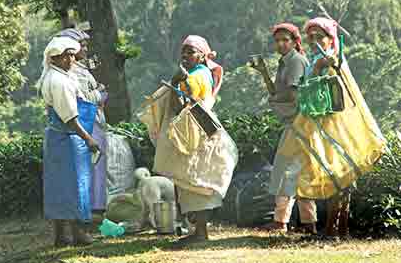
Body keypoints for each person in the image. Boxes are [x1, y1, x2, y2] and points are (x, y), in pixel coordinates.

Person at [277, 17, 387, 237]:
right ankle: (335, 229)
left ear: (330, 39)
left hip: (334, 125)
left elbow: (334, 93)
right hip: (317, 123)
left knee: (339, 176)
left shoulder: (332, 58)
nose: (314, 40)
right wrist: (316, 69)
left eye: (320, 36)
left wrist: (322, 68)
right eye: (311, 36)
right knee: (334, 176)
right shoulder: (316, 59)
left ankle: (335, 229)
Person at [150, 35, 237, 244]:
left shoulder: (196, 76)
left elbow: (181, 105)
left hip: (195, 130)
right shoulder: (199, 74)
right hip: (197, 128)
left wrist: (174, 82)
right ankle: (197, 230)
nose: (186, 55)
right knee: (193, 180)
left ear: (202, 55)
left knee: (194, 180)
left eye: (191, 52)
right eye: (184, 52)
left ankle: (200, 232)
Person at [251, 23, 317, 234]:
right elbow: (276, 92)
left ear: (294, 41)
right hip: (293, 123)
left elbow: (292, 95)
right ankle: (299, 223)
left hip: (299, 123)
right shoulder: (284, 62)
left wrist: (275, 100)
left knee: (288, 170)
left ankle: (288, 222)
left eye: (285, 40)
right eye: (277, 40)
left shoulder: (296, 61)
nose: (280, 44)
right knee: (291, 171)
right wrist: (263, 72)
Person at [39, 33, 100, 247]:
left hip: (55, 138)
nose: (71, 60)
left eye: (72, 56)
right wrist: (89, 139)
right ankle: (78, 234)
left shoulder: (54, 77)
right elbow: (70, 117)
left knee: (58, 187)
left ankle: (60, 236)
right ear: (54, 58)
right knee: (75, 185)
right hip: (68, 138)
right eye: (67, 56)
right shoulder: (59, 81)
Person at [58, 28, 109, 217]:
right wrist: (99, 93)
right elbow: (83, 97)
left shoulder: (81, 69)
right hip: (85, 125)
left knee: (96, 167)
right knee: (87, 168)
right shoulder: (71, 73)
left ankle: (96, 205)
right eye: (83, 46)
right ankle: (89, 208)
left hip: (95, 122)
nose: (86, 49)